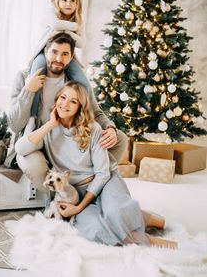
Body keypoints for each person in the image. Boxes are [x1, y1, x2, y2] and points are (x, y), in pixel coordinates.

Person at [15, 81, 177, 249]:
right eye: (62, 98)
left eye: (73, 101)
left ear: (80, 107)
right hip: (75, 191)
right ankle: (147, 234)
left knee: (115, 213)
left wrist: (78, 209)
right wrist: (51, 124)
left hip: (105, 182)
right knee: (95, 229)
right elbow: (20, 148)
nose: (65, 104)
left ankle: (149, 221)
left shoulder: (93, 129)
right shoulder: (47, 130)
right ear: (56, 100)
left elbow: (102, 174)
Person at [6, 32, 127, 190]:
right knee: (34, 167)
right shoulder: (24, 77)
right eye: (54, 52)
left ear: (71, 58)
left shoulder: (75, 83)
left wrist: (110, 128)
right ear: (45, 52)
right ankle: (61, 199)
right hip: (37, 137)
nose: (58, 59)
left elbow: (95, 112)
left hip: (65, 139)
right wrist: (28, 90)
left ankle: (92, 182)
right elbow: (15, 124)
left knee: (120, 138)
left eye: (64, 54)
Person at [29, 0, 89, 123]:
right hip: (46, 53)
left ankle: (83, 117)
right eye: (64, 0)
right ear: (57, 1)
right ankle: (32, 118)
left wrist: (66, 31)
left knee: (84, 82)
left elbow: (81, 43)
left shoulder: (78, 19)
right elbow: (56, 25)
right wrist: (74, 28)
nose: (68, 4)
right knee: (36, 75)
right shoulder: (51, 12)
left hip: (67, 55)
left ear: (77, 3)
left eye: (72, 1)